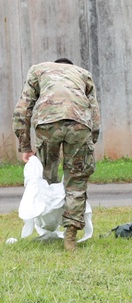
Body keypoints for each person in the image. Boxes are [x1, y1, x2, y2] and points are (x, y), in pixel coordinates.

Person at [12, 58, 101, 251]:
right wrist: (91, 139)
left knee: (46, 178)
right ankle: (70, 237)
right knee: (76, 181)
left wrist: (25, 146)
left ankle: (47, 227)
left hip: (47, 123)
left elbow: (22, 110)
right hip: (80, 123)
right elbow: (94, 111)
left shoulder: (38, 69)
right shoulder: (83, 73)